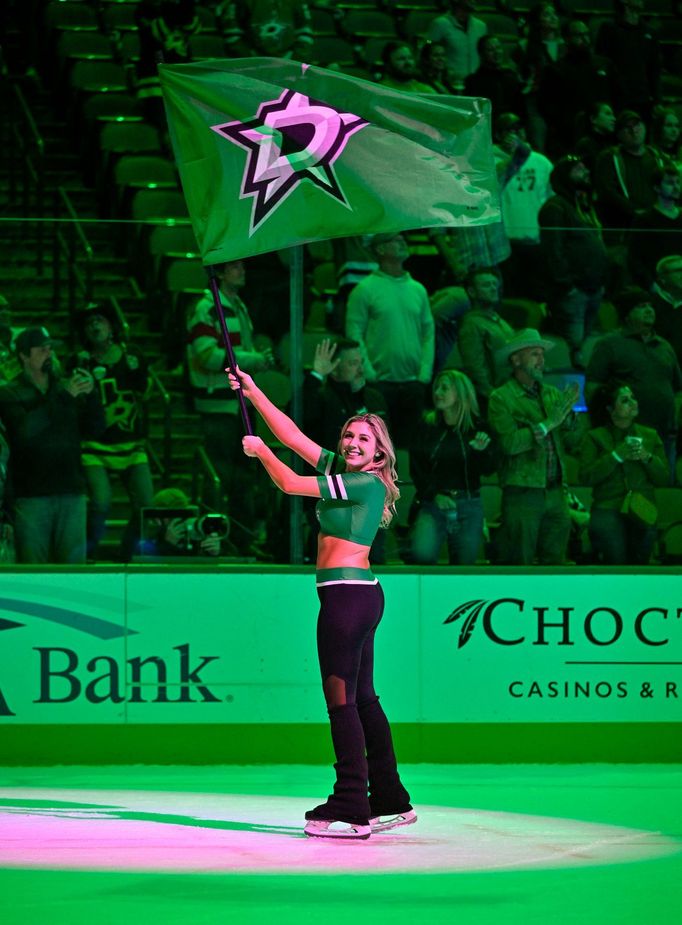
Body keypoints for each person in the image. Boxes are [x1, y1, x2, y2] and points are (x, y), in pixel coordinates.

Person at [226, 364, 415, 840]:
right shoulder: (343, 470)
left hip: (347, 601)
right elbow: (293, 437)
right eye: (349, 435)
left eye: (364, 440)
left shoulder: (365, 483)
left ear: (379, 453)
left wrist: (259, 451)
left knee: (343, 703)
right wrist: (253, 392)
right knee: (364, 699)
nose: (352, 443)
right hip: (359, 597)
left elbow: (289, 482)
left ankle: (352, 805)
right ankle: (390, 798)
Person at [187, 258, 274, 555]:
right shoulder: (207, 308)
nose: (243, 270)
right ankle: (216, 542)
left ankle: (240, 541)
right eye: (236, 267)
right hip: (218, 409)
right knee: (223, 478)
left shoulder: (238, 306)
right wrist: (251, 359)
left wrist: (253, 360)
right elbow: (207, 356)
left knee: (243, 479)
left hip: (237, 406)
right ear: (221, 273)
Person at [0, 327, 103, 564]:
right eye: (42, 350)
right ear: (24, 356)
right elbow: (24, 433)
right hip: (32, 496)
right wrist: (64, 398)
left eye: (51, 349)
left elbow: (94, 429)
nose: (49, 354)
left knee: (74, 571)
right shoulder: (9, 393)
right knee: (34, 570)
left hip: (71, 491)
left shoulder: (64, 387)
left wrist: (93, 395)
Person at [488, 329, 579, 565]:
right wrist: (549, 423)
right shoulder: (501, 398)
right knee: (520, 560)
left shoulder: (551, 393)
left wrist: (569, 418)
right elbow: (509, 444)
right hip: (523, 492)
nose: (542, 360)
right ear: (516, 359)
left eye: (542, 355)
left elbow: (572, 439)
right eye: (535, 354)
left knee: (556, 560)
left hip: (556, 491)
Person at [71, 303, 154, 562]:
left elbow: (146, 391)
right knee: (101, 502)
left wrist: (137, 371)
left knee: (146, 506)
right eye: (89, 323)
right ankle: (88, 555)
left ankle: (126, 556)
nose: (95, 326)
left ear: (111, 326)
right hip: (95, 446)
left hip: (131, 443)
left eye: (100, 320)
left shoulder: (132, 355)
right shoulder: (78, 360)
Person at [345, 232, 434, 448]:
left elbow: (428, 332)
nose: (403, 242)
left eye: (403, 239)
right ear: (380, 249)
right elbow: (353, 333)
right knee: (379, 447)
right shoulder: (365, 289)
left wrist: (424, 373)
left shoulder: (418, 289)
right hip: (379, 384)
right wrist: (369, 372)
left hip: (413, 383)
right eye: (395, 240)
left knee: (412, 447)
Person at [585, 287, 682, 475]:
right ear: (627, 315)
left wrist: (676, 417)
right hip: (624, 433)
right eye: (641, 307)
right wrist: (601, 424)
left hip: (663, 433)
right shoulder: (609, 344)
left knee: (660, 485)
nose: (649, 310)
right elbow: (593, 387)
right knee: (626, 484)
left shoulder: (664, 346)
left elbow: (678, 389)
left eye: (650, 306)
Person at [408, 369, 496, 565]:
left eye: (445, 388)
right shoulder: (426, 427)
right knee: (422, 558)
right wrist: (434, 494)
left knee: (464, 568)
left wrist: (482, 452)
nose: (438, 392)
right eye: (436, 387)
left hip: (468, 504)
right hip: (432, 503)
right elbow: (417, 469)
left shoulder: (478, 428)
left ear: (461, 393)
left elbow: (489, 469)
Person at [579, 381, 668, 564]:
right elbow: (586, 477)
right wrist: (615, 456)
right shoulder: (594, 437)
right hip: (608, 507)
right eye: (625, 400)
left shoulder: (650, 436)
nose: (633, 403)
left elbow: (664, 479)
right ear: (611, 408)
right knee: (616, 559)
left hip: (642, 504)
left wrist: (647, 458)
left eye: (633, 398)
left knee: (641, 563)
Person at [538, 155, 608, 365]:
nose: (586, 172)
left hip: (593, 288)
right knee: (573, 350)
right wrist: (567, 285)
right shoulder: (555, 207)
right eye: (578, 169)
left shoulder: (584, 207)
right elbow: (553, 251)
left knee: (585, 350)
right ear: (563, 176)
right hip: (573, 292)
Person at [493, 112, 553, 299]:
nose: (515, 134)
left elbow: (550, 197)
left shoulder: (541, 162)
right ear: (498, 135)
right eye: (508, 130)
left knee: (537, 293)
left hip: (536, 239)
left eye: (518, 129)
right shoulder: (489, 159)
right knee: (511, 295)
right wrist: (515, 156)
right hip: (504, 243)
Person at [537, 20, 615, 158]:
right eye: (578, 35)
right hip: (569, 137)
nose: (584, 39)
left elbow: (618, 95)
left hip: (605, 136)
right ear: (566, 39)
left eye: (586, 34)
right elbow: (546, 106)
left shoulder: (604, 64)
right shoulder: (555, 70)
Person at [594, 109, 666, 230]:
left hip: (656, 222)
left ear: (644, 128)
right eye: (627, 128)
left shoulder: (658, 157)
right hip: (622, 226)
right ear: (619, 134)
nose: (634, 131)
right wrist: (634, 211)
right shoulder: (609, 158)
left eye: (637, 125)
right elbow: (607, 191)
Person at [457, 266, 515, 409]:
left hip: (510, 394)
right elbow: (475, 367)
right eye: (486, 285)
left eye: (495, 284)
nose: (493, 288)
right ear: (472, 291)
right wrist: (491, 395)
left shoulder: (500, 321)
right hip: (493, 399)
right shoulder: (472, 324)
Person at [594, 0, 660, 117]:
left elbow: (654, 69)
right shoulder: (609, 29)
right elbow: (601, 63)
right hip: (617, 99)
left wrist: (657, 99)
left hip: (642, 99)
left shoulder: (650, 32)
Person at [628, 165, 681, 290]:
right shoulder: (644, 220)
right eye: (670, 183)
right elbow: (634, 258)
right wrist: (651, 284)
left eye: (678, 182)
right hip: (660, 285)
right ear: (656, 188)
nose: (676, 187)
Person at [427, 0, 487, 91]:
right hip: (450, 86)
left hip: (477, 85)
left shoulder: (481, 26)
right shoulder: (439, 24)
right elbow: (428, 50)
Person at [463, 35, 524, 123]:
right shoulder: (473, 81)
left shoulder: (511, 76)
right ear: (481, 54)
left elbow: (520, 107)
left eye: (498, 48)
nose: (497, 52)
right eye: (490, 50)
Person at [574, 101, 616, 175]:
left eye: (613, 115)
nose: (613, 119)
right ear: (593, 119)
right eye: (608, 114)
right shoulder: (585, 145)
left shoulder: (611, 144)